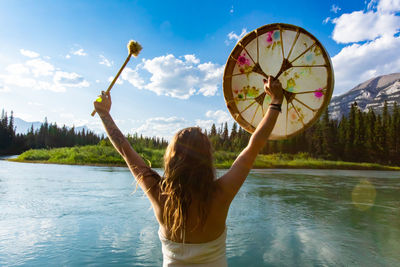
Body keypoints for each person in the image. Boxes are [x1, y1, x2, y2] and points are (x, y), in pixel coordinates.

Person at [93, 77, 284, 266]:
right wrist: (275, 101)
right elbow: (255, 145)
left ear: (171, 159)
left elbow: (125, 150)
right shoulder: (221, 193)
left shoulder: (160, 195)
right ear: (207, 160)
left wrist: (104, 114)